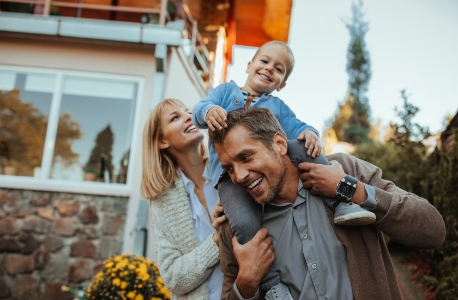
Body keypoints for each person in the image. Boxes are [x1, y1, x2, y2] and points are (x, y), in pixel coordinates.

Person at [192, 41, 375, 298]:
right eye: (264, 61)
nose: (269, 69)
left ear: (282, 84)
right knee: (244, 224)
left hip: (278, 165)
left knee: (301, 147)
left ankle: (341, 201)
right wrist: (208, 111)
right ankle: (271, 284)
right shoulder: (224, 92)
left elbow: (297, 126)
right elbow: (198, 110)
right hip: (228, 180)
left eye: (279, 69)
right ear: (249, 64)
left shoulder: (277, 106)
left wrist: (309, 133)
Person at [208, 107, 446, 300]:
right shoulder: (236, 228)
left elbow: (433, 231)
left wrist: (350, 189)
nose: (239, 176)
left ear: (280, 144)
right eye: (229, 168)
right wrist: (246, 285)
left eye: (246, 157)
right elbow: (230, 291)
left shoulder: (344, 170)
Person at [141, 98, 228, 299]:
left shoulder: (227, 170)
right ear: (162, 141)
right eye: (175, 118)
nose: (189, 117)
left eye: (188, 112)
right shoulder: (162, 200)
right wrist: (217, 239)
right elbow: (173, 278)